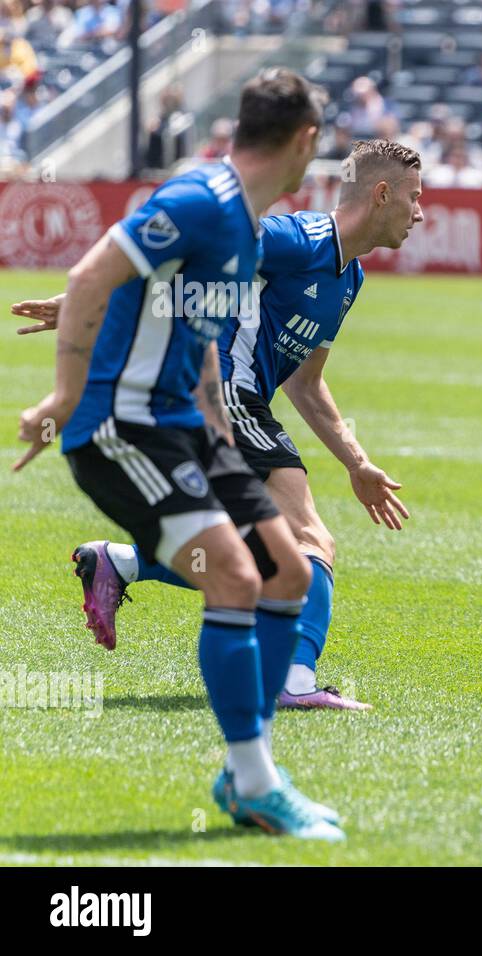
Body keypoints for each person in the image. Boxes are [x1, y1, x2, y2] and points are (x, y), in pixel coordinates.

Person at [13, 69, 346, 839]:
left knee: (291, 566)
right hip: (121, 428)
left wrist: (221, 441)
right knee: (233, 575)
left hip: (191, 428)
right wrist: (63, 397)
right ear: (304, 141)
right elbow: (92, 274)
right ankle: (254, 781)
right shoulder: (202, 201)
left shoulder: (247, 228)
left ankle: (246, 771)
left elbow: (195, 342)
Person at [15, 140, 423, 709]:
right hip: (225, 396)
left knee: (259, 560)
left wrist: (356, 462)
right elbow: (192, 254)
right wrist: (89, 296)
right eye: (413, 198)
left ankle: (119, 561)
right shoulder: (295, 238)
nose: (420, 212)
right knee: (309, 540)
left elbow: (305, 383)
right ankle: (293, 682)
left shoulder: (349, 278)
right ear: (381, 195)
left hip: (242, 401)